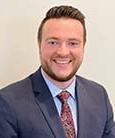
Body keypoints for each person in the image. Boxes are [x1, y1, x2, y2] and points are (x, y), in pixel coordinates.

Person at [0, 5, 115, 138]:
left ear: (83, 46)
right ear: (39, 45)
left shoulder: (99, 95)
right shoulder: (7, 102)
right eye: (53, 42)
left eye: (73, 43)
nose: (63, 52)